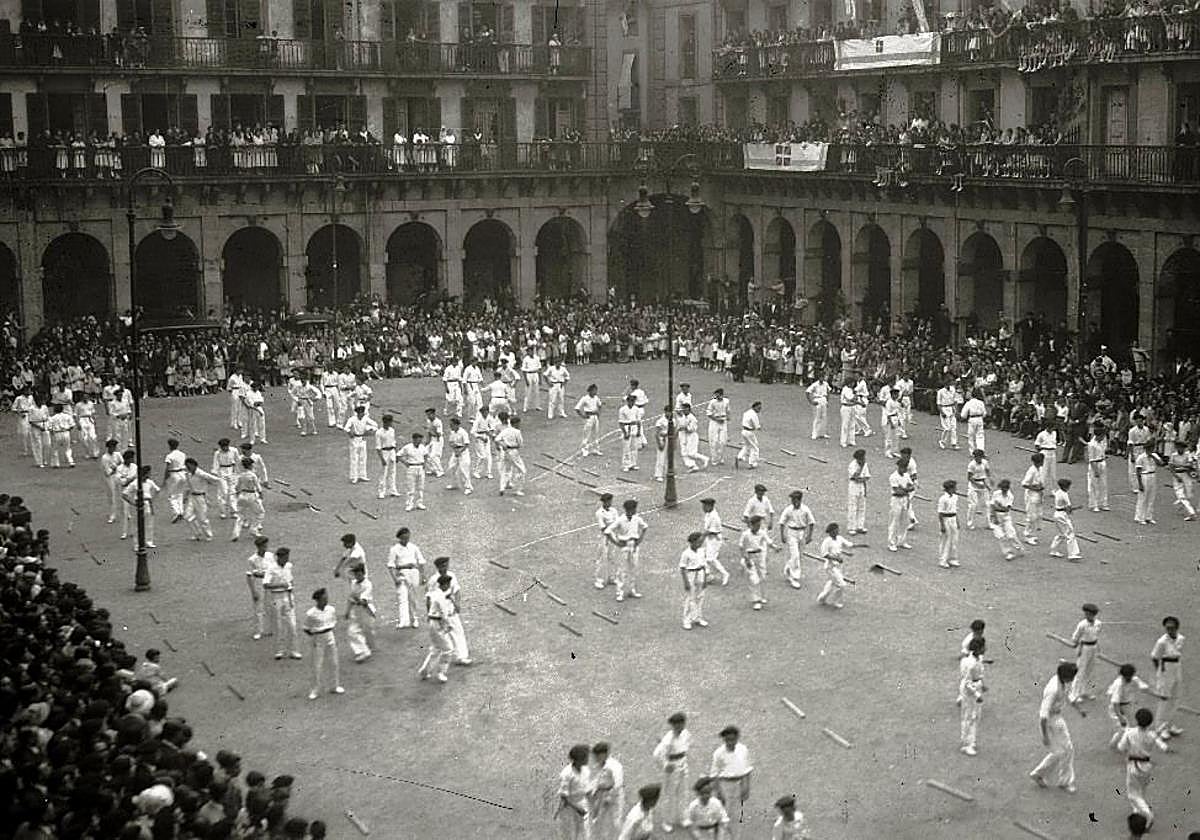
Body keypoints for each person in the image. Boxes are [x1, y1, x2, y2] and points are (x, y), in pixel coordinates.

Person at [1029, 661, 1085, 794]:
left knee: (1067, 750)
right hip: (1051, 721)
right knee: (1061, 752)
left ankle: (1048, 777)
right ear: (1065, 676)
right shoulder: (1053, 690)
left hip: (1057, 718)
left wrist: (1078, 709)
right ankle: (1052, 778)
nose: (1073, 679)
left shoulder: (1062, 682)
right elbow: (1043, 715)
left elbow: (1067, 696)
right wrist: (1045, 736)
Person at [1115, 708, 1171, 829]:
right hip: (1147, 767)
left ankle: (1147, 814)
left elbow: (1120, 747)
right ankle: (1137, 809)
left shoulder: (1130, 733)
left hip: (1133, 766)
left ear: (1136, 720)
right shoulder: (1151, 735)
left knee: (1132, 794)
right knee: (1142, 789)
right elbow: (1163, 747)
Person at [652, 712, 692, 834]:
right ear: (672, 725)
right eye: (676, 724)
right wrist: (665, 765)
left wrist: (683, 760)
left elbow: (687, 746)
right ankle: (667, 821)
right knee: (670, 795)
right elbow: (657, 754)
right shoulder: (668, 740)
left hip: (683, 766)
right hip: (672, 769)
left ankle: (683, 818)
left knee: (683, 793)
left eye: (681, 723)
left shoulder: (686, 734)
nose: (679, 726)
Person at [1105, 664, 1161, 748]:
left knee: (1130, 726)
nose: (1129, 679)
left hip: (1128, 705)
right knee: (1122, 728)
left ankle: (1126, 743)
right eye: (1127, 677)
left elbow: (1145, 689)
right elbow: (1115, 703)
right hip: (1116, 708)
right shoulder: (1119, 685)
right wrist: (1120, 717)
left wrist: (1158, 695)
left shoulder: (1134, 679)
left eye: (1130, 676)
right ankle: (1115, 743)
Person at [429, 555, 471, 664]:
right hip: (440, 613)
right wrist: (430, 614)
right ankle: (436, 659)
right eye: (443, 566)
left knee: (458, 631)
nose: (445, 568)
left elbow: (456, 590)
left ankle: (461, 656)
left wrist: (457, 603)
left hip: (451, 609)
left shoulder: (452, 575)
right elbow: (430, 597)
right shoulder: (433, 580)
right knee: (442, 637)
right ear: (438, 567)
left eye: (446, 565)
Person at [302, 588, 343, 700]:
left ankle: (335, 686)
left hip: (330, 635)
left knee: (334, 662)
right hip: (318, 638)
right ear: (318, 600)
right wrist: (315, 637)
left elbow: (333, 622)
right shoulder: (311, 614)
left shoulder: (331, 610)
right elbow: (306, 628)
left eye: (326, 598)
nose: (326, 600)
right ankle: (315, 690)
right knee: (317, 665)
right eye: (324, 599)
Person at [709, 725, 752, 831]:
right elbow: (714, 773)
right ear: (724, 739)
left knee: (736, 813)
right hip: (725, 784)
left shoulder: (743, 750)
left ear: (737, 738)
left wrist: (746, 786)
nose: (730, 743)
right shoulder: (718, 753)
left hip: (739, 784)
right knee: (723, 813)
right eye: (727, 740)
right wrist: (718, 791)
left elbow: (747, 770)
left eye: (732, 739)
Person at [605, 499, 648, 602]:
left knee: (633, 568)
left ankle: (631, 590)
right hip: (624, 546)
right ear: (628, 509)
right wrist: (616, 542)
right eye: (633, 509)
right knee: (622, 570)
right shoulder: (620, 520)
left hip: (634, 546)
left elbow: (645, 527)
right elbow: (607, 531)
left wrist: (640, 540)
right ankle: (620, 592)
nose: (634, 511)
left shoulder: (637, 519)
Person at [263, 547, 301, 660]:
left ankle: (294, 650)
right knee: (278, 625)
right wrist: (280, 585)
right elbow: (266, 584)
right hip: (276, 597)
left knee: (292, 624)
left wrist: (290, 593)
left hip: (287, 596)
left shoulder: (289, 566)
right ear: (279, 557)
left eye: (287, 557)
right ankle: (280, 650)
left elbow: (290, 581)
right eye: (284, 557)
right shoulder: (271, 568)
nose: (286, 559)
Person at [1150, 616, 1184, 739]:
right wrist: (1160, 673)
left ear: (1177, 628)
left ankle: (1169, 724)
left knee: (1176, 698)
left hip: (1176, 668)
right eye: (1167, 628)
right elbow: (1154, 657)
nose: (1169, 630)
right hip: (1166, 669)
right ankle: (1159, 727)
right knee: (1164, 699)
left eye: (1172, 628)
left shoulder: (1180, 638)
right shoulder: (1162, 642)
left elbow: (1178, 654)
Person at [417, 574, 455, 683]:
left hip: (432, 622)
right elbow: (444, 613)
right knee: (448, 649)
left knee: (436, 649)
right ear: (445, 584)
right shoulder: (440, 597)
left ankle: (424, 671)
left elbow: (430, 600)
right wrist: (448, 625)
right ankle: (441, 672)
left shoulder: (435, 593)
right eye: (448, 585)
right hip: (437, 623)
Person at [386, 527, 426, 629]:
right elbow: (391, 566)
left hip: (414, 574)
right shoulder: (394, 549)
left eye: (407, 538)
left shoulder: (414, 547)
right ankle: (403, 621)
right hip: (402, 574)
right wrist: (395, 579)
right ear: (399, 538)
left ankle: (415, 619)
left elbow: (421, 562)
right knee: (402, 597)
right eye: (404, 538)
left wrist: (423, 576)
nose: (406, 540)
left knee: (413, 598)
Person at [739, 515, 779, 611]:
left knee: (762, 577)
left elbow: (768, 542)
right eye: (756, 525)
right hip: (750, 557)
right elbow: (741, 548)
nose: (758, 527)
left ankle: (761, 596)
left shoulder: (761, 533)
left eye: (759, 525)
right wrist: (746, 559)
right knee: (754, 579)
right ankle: (756, 600)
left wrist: (775, 547)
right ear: (751, 525)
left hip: (759, 557)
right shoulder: (745, 534)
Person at [778, 490, 815, 588]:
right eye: (792, 500)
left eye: (795, 500)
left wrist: (809, 536)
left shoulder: (806, 509)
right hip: (792, 533)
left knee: (800, 555)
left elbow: (811, 522)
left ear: (800, 500)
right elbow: (782, 522)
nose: (793, 502)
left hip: (802, 533)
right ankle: (794, 578)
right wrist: (782, 535)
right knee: (795, 555)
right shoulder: (788, 510)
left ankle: (788, 568)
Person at [555, 744, 592, 840]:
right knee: (570, 835)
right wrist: (577, 808)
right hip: (570, 809)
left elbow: (587, 790)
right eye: (586, 756)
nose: (588, 759)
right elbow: (564, 797)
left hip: (583, 807)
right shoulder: (567, 774)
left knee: (584, 835)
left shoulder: (586, 771)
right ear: (579, 759)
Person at [815, 522, 855, 609]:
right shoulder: (827, 542)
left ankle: (822, 598)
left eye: (837, 530)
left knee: (832, 583)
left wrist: (860, 546)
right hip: (830, 567)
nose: (837, 532)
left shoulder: (839, 538)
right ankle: (836, 601)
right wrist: (836, 558)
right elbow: (824, 554)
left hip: (838, 567)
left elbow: (848, 545)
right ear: (831, 532)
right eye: (835, 530)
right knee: (842, 584)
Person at [590, 742, 625, 840]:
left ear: (604, 754)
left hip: (615, 797)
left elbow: (618, 784)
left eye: (597, 756)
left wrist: (609, 796)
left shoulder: (615, 767)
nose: (595, 759)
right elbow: (598, 780)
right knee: (601, 821)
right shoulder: (600, 765)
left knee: (616, 822)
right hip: (603, 796)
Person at [182, 457, 222, 541]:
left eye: (189, 466)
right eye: (187, 466)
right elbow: (188, 486)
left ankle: (208, 535)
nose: (188, 468)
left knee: (202, 518)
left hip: (200, 498)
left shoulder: (201, 473)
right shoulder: (188, 474)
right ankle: (197, 533)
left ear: (194, 465)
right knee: (187, 516)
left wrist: (222, 481)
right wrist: (185, 497)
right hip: (192, 497)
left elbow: (214, 479)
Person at [959, 636, 987, 755]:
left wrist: (982, 685)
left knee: (976, 716)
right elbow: (967, 682)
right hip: (969, 691)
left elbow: (979, 673)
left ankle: (972, 740)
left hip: (976, 687)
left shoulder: (978, 658)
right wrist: (977, 694)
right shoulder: (969, 663)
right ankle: (966, 744)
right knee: (968, 716)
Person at [344, 564, 376, 664]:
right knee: (352, 631)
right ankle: (363, 651)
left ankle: (369, 647)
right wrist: (348, 611)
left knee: (368, 630)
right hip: (356, 610)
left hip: (366, 610)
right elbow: (351, 598)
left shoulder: (368, 585)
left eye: (358, 574)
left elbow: (363, 601)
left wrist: (356, 599)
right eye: (355, 574)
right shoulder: (353, 583)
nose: (357, 576)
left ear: (363, 573)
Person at [246, 535, 274, 640]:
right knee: (258, 608)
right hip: (258, 582)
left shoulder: (270, 556)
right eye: (263, 546)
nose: (265, 548)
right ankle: (258, 631)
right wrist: (253, 591)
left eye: (266, 546)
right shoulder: (252, 559)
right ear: (258, 547)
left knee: (270, 605)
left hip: (269, 582)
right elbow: (249, 576)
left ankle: (270, 628)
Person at [988, 478, 1024, 561]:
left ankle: (1019, 547)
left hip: (1006, 517)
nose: (1003, 490)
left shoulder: (1010, 496)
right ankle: (1008, 553)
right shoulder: (996, 494)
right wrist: (994, 517)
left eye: (1005, 488)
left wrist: (998, 506)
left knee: (1011, 535)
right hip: (996, 516)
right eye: (1002, 488)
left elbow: (1007, 509)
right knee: (1001, 536)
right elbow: (992, 506)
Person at [231, 457, 265, 542]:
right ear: (250, 465)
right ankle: (253, 530)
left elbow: (236, 487)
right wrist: (261, 494)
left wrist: (238, 494)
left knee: (240, 516)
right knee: (260, 513)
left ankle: (235, 534)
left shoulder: (241, 475)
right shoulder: (253, 475)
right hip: (251, 495)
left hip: (242, 495)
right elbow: (258, 487)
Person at [679, 531, 709, 630]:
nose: (700, 544)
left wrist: (705, 579)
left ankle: (698, 617)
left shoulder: (701, 551)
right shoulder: (686, 553)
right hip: (691, 574)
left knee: (700, 597)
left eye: (701, 542)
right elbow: (682, 568)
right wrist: (686, 582)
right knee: (690, 598)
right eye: (698, 542)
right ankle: (686, 620)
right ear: (692, 542)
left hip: (700, 573)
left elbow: (704, 565)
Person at [1048, 478, 1082, 561]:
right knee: (1070, 533)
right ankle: (1072, 554)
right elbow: (1069, 508)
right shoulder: (1064, 494)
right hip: (1062, 515)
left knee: (1061, 533)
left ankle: (1054, 549)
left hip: (1057, 514)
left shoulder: (1058, 492)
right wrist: (1076, 508)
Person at [343, 405, 378, 484]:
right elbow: (346, 428)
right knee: (354, 458)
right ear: (358, 413)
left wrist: (369, 430)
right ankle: (354, 477)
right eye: (360, 413)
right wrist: (349, 432)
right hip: (354, 439)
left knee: (363, 457)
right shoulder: (352, 419)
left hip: (362, 439)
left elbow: (375, 425)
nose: (362, 415)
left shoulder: (365, 419)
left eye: (362, 413)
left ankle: (362, 475)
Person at [886, 457, 915, 552]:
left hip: (905, 500)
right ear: (899, 467)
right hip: (896, 500)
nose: (904, 469)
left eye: (905, 467)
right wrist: (905, 490)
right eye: (903, 467)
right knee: (895, 521)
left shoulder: (906, 475)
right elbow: (897, 491)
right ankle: (891, 542)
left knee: (904, 521)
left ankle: (902, 541)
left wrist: (905, 489)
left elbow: (912, 486)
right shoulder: (893, 476)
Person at [593, 493, 620, 589]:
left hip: (613, 535)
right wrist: (611, 538)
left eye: (611, 501)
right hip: (604, 537)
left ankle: (612, 578)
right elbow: (603, 528)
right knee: (601, 558)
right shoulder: (599, 513)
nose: (610, 503)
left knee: (612, 557)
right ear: (604, 502)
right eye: (608, 501)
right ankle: (598, 580)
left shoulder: (614, 511)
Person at [496, 415, 527, 496]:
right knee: (522, 470)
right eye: (519, 423)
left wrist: (503, 444)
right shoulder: (517, 432)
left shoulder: (506, 430)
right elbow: (520, 444)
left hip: (505, 452)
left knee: (505, 470)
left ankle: (502, 487)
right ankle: (518, 490)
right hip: (513, 452)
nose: (519, 425)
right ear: (516, 423)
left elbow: (497, 439)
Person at [1020, 452, 1046, 545]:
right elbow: (1024, 484)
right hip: (1032, 494)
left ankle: (1033, 533)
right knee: (1031, 516)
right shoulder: (1031, 470)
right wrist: (1036, 488)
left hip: (1038, 494)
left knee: (1038, 515)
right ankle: (1027, 535)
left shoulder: (1040, 469)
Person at [399, 431, 429, 511]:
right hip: (412, 467)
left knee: (420, 486)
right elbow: (399, 455)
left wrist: (425, 463)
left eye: (420, 440)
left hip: (420, 467)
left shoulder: (422, 447)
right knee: (410, 486)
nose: (419, 442)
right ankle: (409, 504)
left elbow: (426, 454)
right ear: (414, 439)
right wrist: (405, 462)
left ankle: (419, 503)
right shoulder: (407, 447)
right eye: (418, 440)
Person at [1168, 439, 1197, 520]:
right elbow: (1171, 467)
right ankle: (1191, 513)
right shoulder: (1173, 455)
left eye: (1183, 448)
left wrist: (1180, 465)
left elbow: (1190, 465)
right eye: (1179, 447)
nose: (1181, 449)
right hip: (1177, 475)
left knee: (1189, 495)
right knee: (1180, 494)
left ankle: (1180, 503)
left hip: (1186, 475)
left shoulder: (1188, 455)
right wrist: (1176, 476)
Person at [211, 438, 240, 519]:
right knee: (223, 492)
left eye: (226, 446)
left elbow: (238, 461)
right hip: (222, 472)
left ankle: (234, 511)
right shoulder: (217, 453)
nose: (224, 448)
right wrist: (215, 474)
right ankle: (223, 512)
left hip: (231, 471)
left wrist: (238, 473)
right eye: (223, 447)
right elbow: (215, 464)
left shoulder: (234, 451)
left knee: (232, 492)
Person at [963, 449, 992, 529]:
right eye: (976, 457)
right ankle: (970, 523)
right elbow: (969, 478)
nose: (977, 459)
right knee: (973, 505)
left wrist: (988, 482)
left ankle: (989, 523)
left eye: (979, 457)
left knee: (988, 504)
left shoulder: (985, 462)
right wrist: (977, 485)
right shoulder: (971, 465)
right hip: (973, 485)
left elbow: (987, 472)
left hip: (983, 483)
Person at [444, 416, 473, 494]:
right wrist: (455, 450)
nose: (450, 426)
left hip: (463, 452)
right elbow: (451, 442)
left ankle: (468, 487)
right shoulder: (452, 432)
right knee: (451, 467)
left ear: (457, 425)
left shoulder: (463, 432)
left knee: (464, 469)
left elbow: (467, 444)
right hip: (455, 451)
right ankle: (454, 484)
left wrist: (460, 451)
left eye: (452, 425)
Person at [162, 438, 189, 523]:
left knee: (172, 496)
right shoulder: (182, 454)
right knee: (180, 494)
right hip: (183, 474)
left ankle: (176, 512)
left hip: (174, 475)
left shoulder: (169, 456)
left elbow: (167, 468)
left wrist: (165, 479)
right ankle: (181, 512)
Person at [677, 404, 709, 472]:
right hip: (683, 436)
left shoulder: (692, 418)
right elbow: (680, 426)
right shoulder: (683, 417)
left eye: (685, 409)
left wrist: (684, 427)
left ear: (689, 409)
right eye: (683, 409)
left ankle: (705, 459)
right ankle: (692, 466)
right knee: (684, 452)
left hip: (692, 436)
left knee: (691, 453)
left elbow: (691, 429)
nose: (683, 410)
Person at [937, 479, 960, 569]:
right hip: (946, 519)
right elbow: (940, 513)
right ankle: (943, 560)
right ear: (950, 489)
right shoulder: (943, 499)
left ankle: (953, 558)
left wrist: (957, 521)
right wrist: (942, 525)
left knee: (954, 539)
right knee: (946, 540)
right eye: (954, 488)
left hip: (953, 519)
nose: (956, 489)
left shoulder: (955, 497)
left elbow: (955, 510)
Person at [375, 413, 400, 499]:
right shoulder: (379, 432)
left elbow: (394, 442)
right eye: (390, 422)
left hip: (392, 451)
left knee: (393, 472)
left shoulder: (392, 430)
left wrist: (396, 454)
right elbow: (378, 447)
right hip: (384, 451)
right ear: (385, 422)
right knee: (383, 473)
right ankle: (381, 491)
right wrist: (382, 458)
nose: (391, 424)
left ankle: (393, 490)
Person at [1086, 424, 1110, 511]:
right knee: (1094, 485)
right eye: (1102, 436)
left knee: (1103, 484)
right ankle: (1094, 504)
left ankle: (1103, 503)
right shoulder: (1091, 444)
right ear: (1097, 435)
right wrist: (1095, 471)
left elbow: (1103, 452)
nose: (1103, 437)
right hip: (1095, 464)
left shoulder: (1102, 442)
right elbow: (1091, 459)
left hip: (1102, 462)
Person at [1134, 445, 1160, 525]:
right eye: (1149, 449)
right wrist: (1140, 484)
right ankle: (1140, 517)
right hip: (1144, 475)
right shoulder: (1141, 457)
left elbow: (1161, 463)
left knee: (1151, 497)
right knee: (1143, 498)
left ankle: (1149, 516)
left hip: (1153, 475)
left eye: (1152, 449)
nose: (1150, 450)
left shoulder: (1154, 455)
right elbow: (1138, 471)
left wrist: (1153, 456)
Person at [846, 449, 870, 535]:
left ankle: (860, 526)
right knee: (853, 506)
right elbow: (855, 476)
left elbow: (867, 477)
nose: (863, 460)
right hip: (853, 486)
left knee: (862, 506)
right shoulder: (852, 465)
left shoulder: (865, 464)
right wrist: (860, 468)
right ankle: (851, 527)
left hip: (861, 485)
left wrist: (862, 481)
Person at [576, 383, 603, 456]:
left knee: (595, 433)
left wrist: (598, 413)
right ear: (590, 391)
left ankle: (595, 449)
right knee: (587, 434)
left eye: (596, 390)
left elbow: (600, 405)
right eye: (594, 390)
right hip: (588, 417)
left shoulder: (596, 398)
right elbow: (577, 408)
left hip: (595, 417)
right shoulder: (584, 398)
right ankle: (585, 449)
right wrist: (583, 416)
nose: (595, 392)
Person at [101, 438, 123, 524]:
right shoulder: (105, 458)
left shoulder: (117, 454)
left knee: (122, 494)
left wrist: (116, 467)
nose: (114, 449)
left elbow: (122, 463)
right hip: (110, 479)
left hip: (118, 476)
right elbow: (108, 472)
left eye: (114, 447)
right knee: (112, 496)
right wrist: (116, 467)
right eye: (112, 447)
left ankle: (125, 512)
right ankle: (112, 515)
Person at [706, 388, 730, 464]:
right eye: (716, 395)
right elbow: (709, 414)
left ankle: (721, 457)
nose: (717, 397)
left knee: (723, 441)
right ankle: (714, 459)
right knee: (713, 441)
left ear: (722, 395)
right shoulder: (712, 402)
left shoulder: (726, 401)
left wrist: (727, 417)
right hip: (714, 422)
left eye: (719, 395)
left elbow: (728, 410)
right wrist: (716, 419)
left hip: (723, 421)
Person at [619, 394, 643, 472]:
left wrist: (639, 431)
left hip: (634, 428)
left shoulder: (636, 409)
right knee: (626, 448)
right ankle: (626, 465)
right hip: (626, 427)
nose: (632, 403)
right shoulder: (622, 409)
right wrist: (625, 432)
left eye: (633, 401)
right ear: (627, 401)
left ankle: (633, 464)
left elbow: (639, 421)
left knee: (634, 447)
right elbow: (621, 423)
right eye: (630, 401)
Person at [735, 400, 762, 469]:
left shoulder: (747, 412)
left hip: (744, 431)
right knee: (755, 447)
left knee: (747, 446)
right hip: (749, 432)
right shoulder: (754, 415)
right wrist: (759, 427)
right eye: (759, 408)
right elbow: (757, 427)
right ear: (755, 407)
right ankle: (752, 463)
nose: (759, 410)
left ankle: (739, 457)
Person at [1034, 419, 1060, 486]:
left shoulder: (1054, 433)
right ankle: (1041, 487)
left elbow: (1055, 443)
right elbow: (1037, 445)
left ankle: (1053, 490)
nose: (1052, 429)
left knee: (1053, 473)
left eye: (1053, 428)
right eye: (1051, 428)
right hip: (1044, 453)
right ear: (1047, 427)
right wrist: (1040, 452)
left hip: (1053, 453)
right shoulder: (1041, 434)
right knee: (1043, 472)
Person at [936, 379, 959, 449]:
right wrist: (942, 412)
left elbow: (955, 400)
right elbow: (938, 403)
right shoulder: (940, 392)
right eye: (947, 383)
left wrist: (956, 409)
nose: (949, 385)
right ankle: (942, 441)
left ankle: (954, 443)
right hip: (944, 408)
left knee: (954, 427)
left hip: (951, 408)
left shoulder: (953, 389)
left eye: (950, 383)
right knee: (947, 428)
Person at [805, 374, 830, 440]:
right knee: (817, 417)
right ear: (818, 378)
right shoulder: (815, 384)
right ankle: (814, 434)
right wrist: (811, 401)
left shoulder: (826, 384)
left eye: (823, 377)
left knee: (824, 417)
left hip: (823, 399)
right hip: (817, 399)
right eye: (820, 377)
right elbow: (807, 392)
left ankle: (822, 433)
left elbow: (828, 391)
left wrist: (827, 401)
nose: (822, 378)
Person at [424, 407, 445, 478]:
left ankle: (440, 471)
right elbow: (428, 432)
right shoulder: (428, 421)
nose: (428, 416)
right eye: (427, 415)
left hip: (438, 439)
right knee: (425, 453)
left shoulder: (438, 422)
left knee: (434, 456)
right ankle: (432, 469)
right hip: (432, 439)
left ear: (433, 414)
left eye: (429, 415)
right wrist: (427, 441)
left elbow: (438, 434)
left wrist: (432, 431)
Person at [839, 378, 857, 448]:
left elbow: (854, 399)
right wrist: (855, 396)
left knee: (852, 424)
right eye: (852, 383)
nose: (853, 384)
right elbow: (851, 398)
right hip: (846, 407)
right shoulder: (845, 389)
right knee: (845, 425)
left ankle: (851, 440)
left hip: (852, 407)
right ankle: (843, 441)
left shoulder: (851, 390)